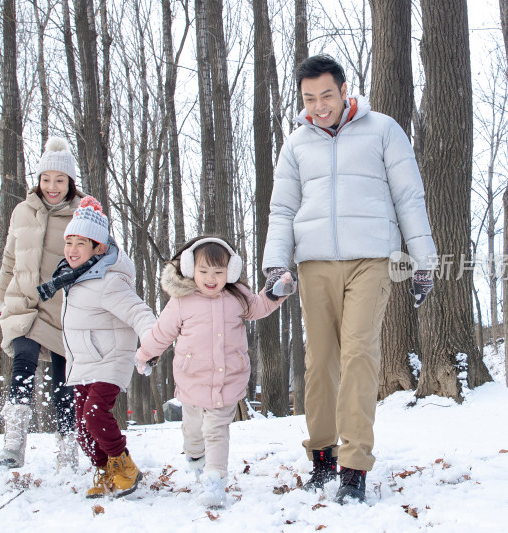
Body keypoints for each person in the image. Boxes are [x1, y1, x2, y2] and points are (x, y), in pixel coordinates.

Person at [261, 54, 437, 504]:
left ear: (344, 90)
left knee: (359, 355)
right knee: (320, 362)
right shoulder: (297, 144)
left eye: (326, 95)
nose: (319, 106)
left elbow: (408, 195)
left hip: (369, 261)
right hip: (314, 263)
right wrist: (276, 265)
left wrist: (424, 261)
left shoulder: (382, 130)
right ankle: (321, 455)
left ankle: (354, 465)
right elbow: (282, 209)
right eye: (309, 98)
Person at [135, 236, 295, 508]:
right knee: (194, 434)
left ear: (229, 272)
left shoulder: (237, 295)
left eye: (219, 272)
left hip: (228, 381)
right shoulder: (182, 300)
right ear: (191, 270)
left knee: (216, 431)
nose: (211, 278)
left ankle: (215, 480)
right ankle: (198, 460)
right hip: (192, 384)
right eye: (204, 271)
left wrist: (276, 292)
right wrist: (145, 354)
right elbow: (161, 333)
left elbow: (259, 306)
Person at [51, 196, 156, 499]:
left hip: (110, 360)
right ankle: (105, 469)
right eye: (68, 242)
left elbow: (139, 313)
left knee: (94, 416)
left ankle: (124, 466)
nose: (71, 250)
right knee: (82, 429)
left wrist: (151, 343)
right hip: (81, 364)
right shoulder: (71, 279)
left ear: (98, 248)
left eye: (79, 243)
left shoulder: (109, 280)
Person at [0, 136, 85, 471]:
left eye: (59, 180)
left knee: (64, 383)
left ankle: (67, 451)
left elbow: (102, 256)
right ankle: (14, 441)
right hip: (23, 303)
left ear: (70, 182)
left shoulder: (82, 214)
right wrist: (1, 299)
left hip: (63, 308)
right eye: (46, 179)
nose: (52, 186)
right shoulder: (22, 211)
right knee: (23, 364)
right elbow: (8, 259)